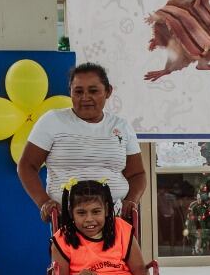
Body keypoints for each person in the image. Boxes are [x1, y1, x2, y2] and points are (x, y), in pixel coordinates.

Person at [21, 63, 146, 221]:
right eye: (78, 92)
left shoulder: (122, 126)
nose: (85, 97)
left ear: (108, 91)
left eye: (93, 91)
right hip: (67, 218)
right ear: (70, 93)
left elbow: (137, 174)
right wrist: (44, 202)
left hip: (116, 219)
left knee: (131, 247)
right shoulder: (52, 121)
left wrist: (132, 200)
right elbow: (26, 166)